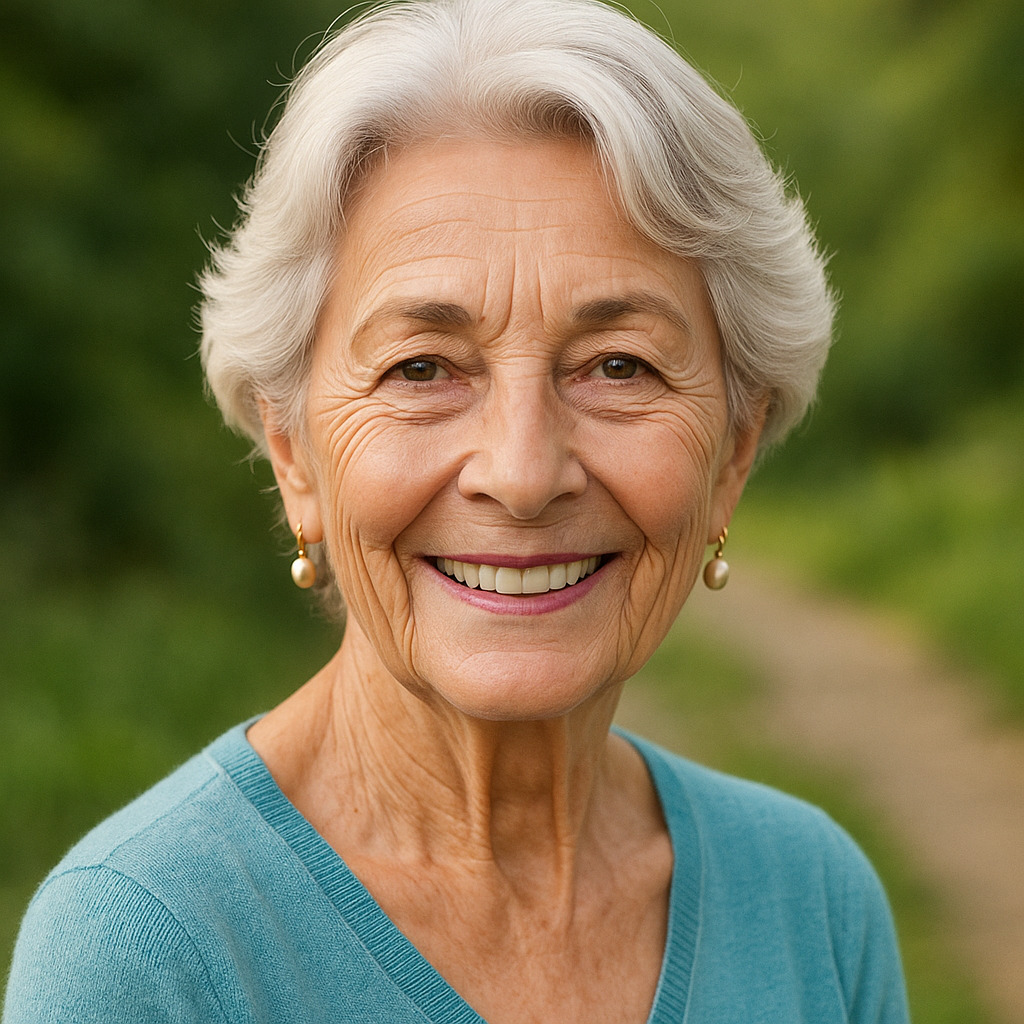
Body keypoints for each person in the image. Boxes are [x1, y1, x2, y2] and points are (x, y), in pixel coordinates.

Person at [3, 0, 910, 1020]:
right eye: (422, 366)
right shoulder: (144, 952)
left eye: (619, 365)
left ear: (732, 455)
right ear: (294, 451)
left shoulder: (813, 903)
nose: (522, 474)